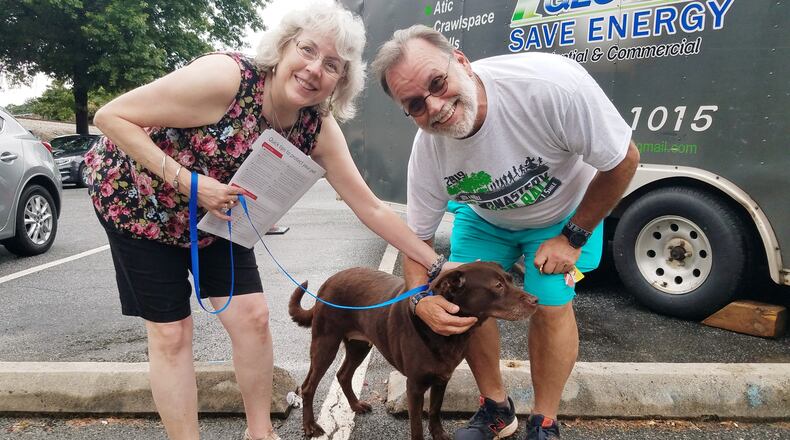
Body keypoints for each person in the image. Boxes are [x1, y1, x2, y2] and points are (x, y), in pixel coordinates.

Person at [86, 3, 448, 439]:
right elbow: (110, 117)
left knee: (253, 317)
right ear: (283, 47)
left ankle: (261, 433)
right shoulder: (227, 78)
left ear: (341, 81)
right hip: (138, 204)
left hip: (216, 214)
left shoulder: (316, 125)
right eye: (307, 50)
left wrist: (436, 265)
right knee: (172, 334)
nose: (315, 69)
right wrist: (189, 183)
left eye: (331, 65)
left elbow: (370, 207)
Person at [372, 25, 640, 440]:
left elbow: (623, 159)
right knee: (461, 306)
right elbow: (416, 240)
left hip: (561, 215)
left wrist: (572, 237)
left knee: (549, 304)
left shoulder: (549, 88)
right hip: (486, 218)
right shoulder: (428, 151)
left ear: (460, 61)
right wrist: (420, 298)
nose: (436, 106)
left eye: (437, 83)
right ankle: (496, 408)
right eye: (415, 104)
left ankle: (545, 420)